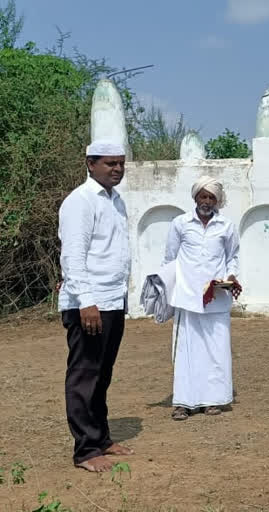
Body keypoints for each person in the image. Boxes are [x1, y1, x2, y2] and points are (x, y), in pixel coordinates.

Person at [58, 140, 134, 472]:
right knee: (84, 375)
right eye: (109, 163)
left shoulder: (116, 201)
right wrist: (86, 301)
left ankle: (101, 438)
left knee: (103, 375)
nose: (116, 169)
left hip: (112, 300)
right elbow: (73, 255)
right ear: (90, 164)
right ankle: (86, 450)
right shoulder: (80, 201)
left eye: (120, 163)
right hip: (88, 303)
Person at [164, 176, 241, 420]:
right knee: (187, 350)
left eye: (211, 197)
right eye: (203, 196)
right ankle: (183, 403)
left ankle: (213, 400)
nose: (206, 201)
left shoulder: (226, 226)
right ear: (195, 197)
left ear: (217, 201)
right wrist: (168, 293)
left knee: (216, 350)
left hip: (217, 297)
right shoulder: (180, 223)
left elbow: (234, 257)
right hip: (187, 298)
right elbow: (169, 260)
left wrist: (230, 277)